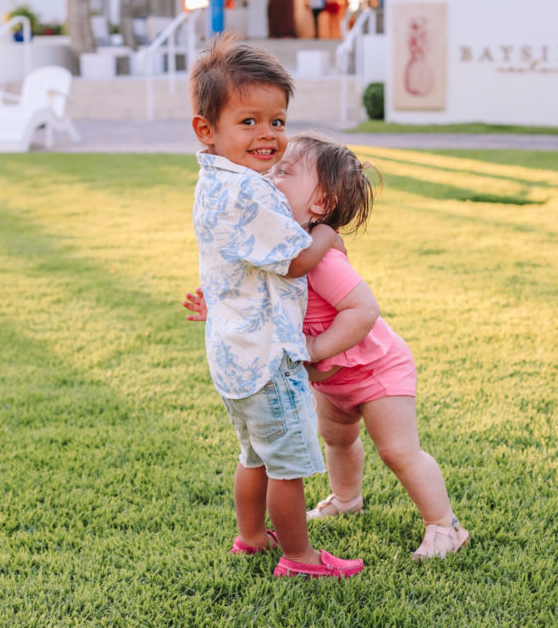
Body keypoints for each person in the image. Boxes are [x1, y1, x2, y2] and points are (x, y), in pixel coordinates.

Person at [185, 133, 470, 560]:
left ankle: (444, 526)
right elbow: (262, 300)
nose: (269, 176)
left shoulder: (323, 259)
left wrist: (315, 349)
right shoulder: (279, 249)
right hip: (332, 382)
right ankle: (346, 499)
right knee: (337, 440)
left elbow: (363, 310)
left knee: (396, 450)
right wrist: (222, 307)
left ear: (319, 204)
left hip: (376, 370)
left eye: (284, 172)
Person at [188, 35, 365, 579]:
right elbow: (292, 262)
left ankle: (249, 536)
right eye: (249, 122)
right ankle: (300, 557)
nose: (268, 135)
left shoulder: (216, 181)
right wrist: (326, 237)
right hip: (266, 357)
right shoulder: (252, 193)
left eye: (278, 122)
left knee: (254, 454)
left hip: (232, 352)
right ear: (207, 129)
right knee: (287, 466)